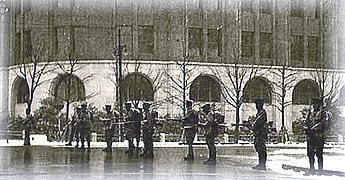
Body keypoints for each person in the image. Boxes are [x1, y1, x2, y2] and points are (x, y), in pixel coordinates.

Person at [304, 97, 328, 175]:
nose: (314, 106)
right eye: (313, 104)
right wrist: (306, 128)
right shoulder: (310, 113)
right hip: (311, 137)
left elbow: (323, 124)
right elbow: (306, 123)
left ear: (319, 105)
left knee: (319, 154)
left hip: (319, 137)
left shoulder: (323, 113)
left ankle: (320, 170)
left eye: (316, 104)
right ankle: (312, 169)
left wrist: (314, 128)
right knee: (310, 153)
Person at [251, 98, 268, 170]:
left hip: (261, 134)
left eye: (258, 104)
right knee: (258, 148)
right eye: (256, 104)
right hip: (258, 133)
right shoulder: (259, 113)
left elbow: (258, 123)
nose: (257, 106)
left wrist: (253, 126)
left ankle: (262, 164)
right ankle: (260, 163)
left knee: (261, 149)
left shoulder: (262, 113)